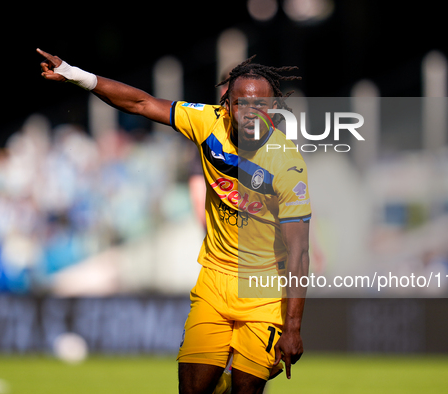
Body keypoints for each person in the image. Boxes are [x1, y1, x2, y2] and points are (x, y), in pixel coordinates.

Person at [37, 49, 311, 394]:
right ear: (227, 104)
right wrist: (78, 75)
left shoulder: (286, 164)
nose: (251, 114)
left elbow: (299, 250)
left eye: (261, 106)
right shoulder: (207, 121)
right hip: (214, 282)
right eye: (242, 104)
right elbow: (141, 103)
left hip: (264, 291)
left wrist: (293, 328)